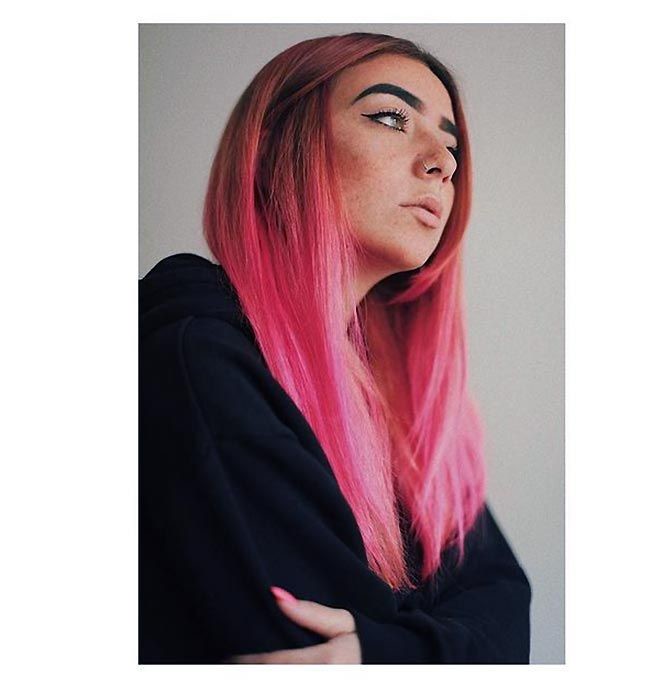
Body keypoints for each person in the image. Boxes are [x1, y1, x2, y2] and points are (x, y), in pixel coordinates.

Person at [139, 31, 532, 664]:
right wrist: (425, 646)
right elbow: (299, 642)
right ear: (276, 146)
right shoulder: (195, 351)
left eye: (452, 147)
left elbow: (507, 602)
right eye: (390, 117)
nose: (442, 162)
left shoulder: (405, 402)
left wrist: (388, 649)